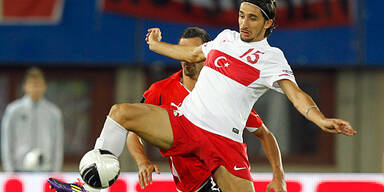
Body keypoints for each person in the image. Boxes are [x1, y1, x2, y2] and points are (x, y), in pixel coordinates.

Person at [49, 0, 356, 192]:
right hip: (187, 123)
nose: (243, 23)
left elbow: (296, 94)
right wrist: (157, 46)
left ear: (269, 23)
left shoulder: (272, 58)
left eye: (252, 18)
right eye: (241, 15)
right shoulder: (225, 39)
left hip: (224, 142)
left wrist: (320, 118)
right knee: (120, 113)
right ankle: (89, 187)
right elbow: (194, 51)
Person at [127, 27, 286, 192]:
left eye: (192, 51)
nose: (186, 58)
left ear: (207, 53)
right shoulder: (160, 90)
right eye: (182, 51)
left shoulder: (227, 90)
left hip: (224, 179)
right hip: (192, 187)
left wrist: (278, 175)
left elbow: (265, 134)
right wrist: (142, 162)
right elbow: (133, 132)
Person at [1, 67, 63, 172]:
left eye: (38, 85)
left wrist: (55, 172)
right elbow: (7, 141)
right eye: (32, 85)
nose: (36, 88)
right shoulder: (13, 111)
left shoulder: (54, 113)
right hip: (18, 170)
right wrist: (9, 170)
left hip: (46, 170)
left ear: (44, 87)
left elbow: (58, 144)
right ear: (25, 87)